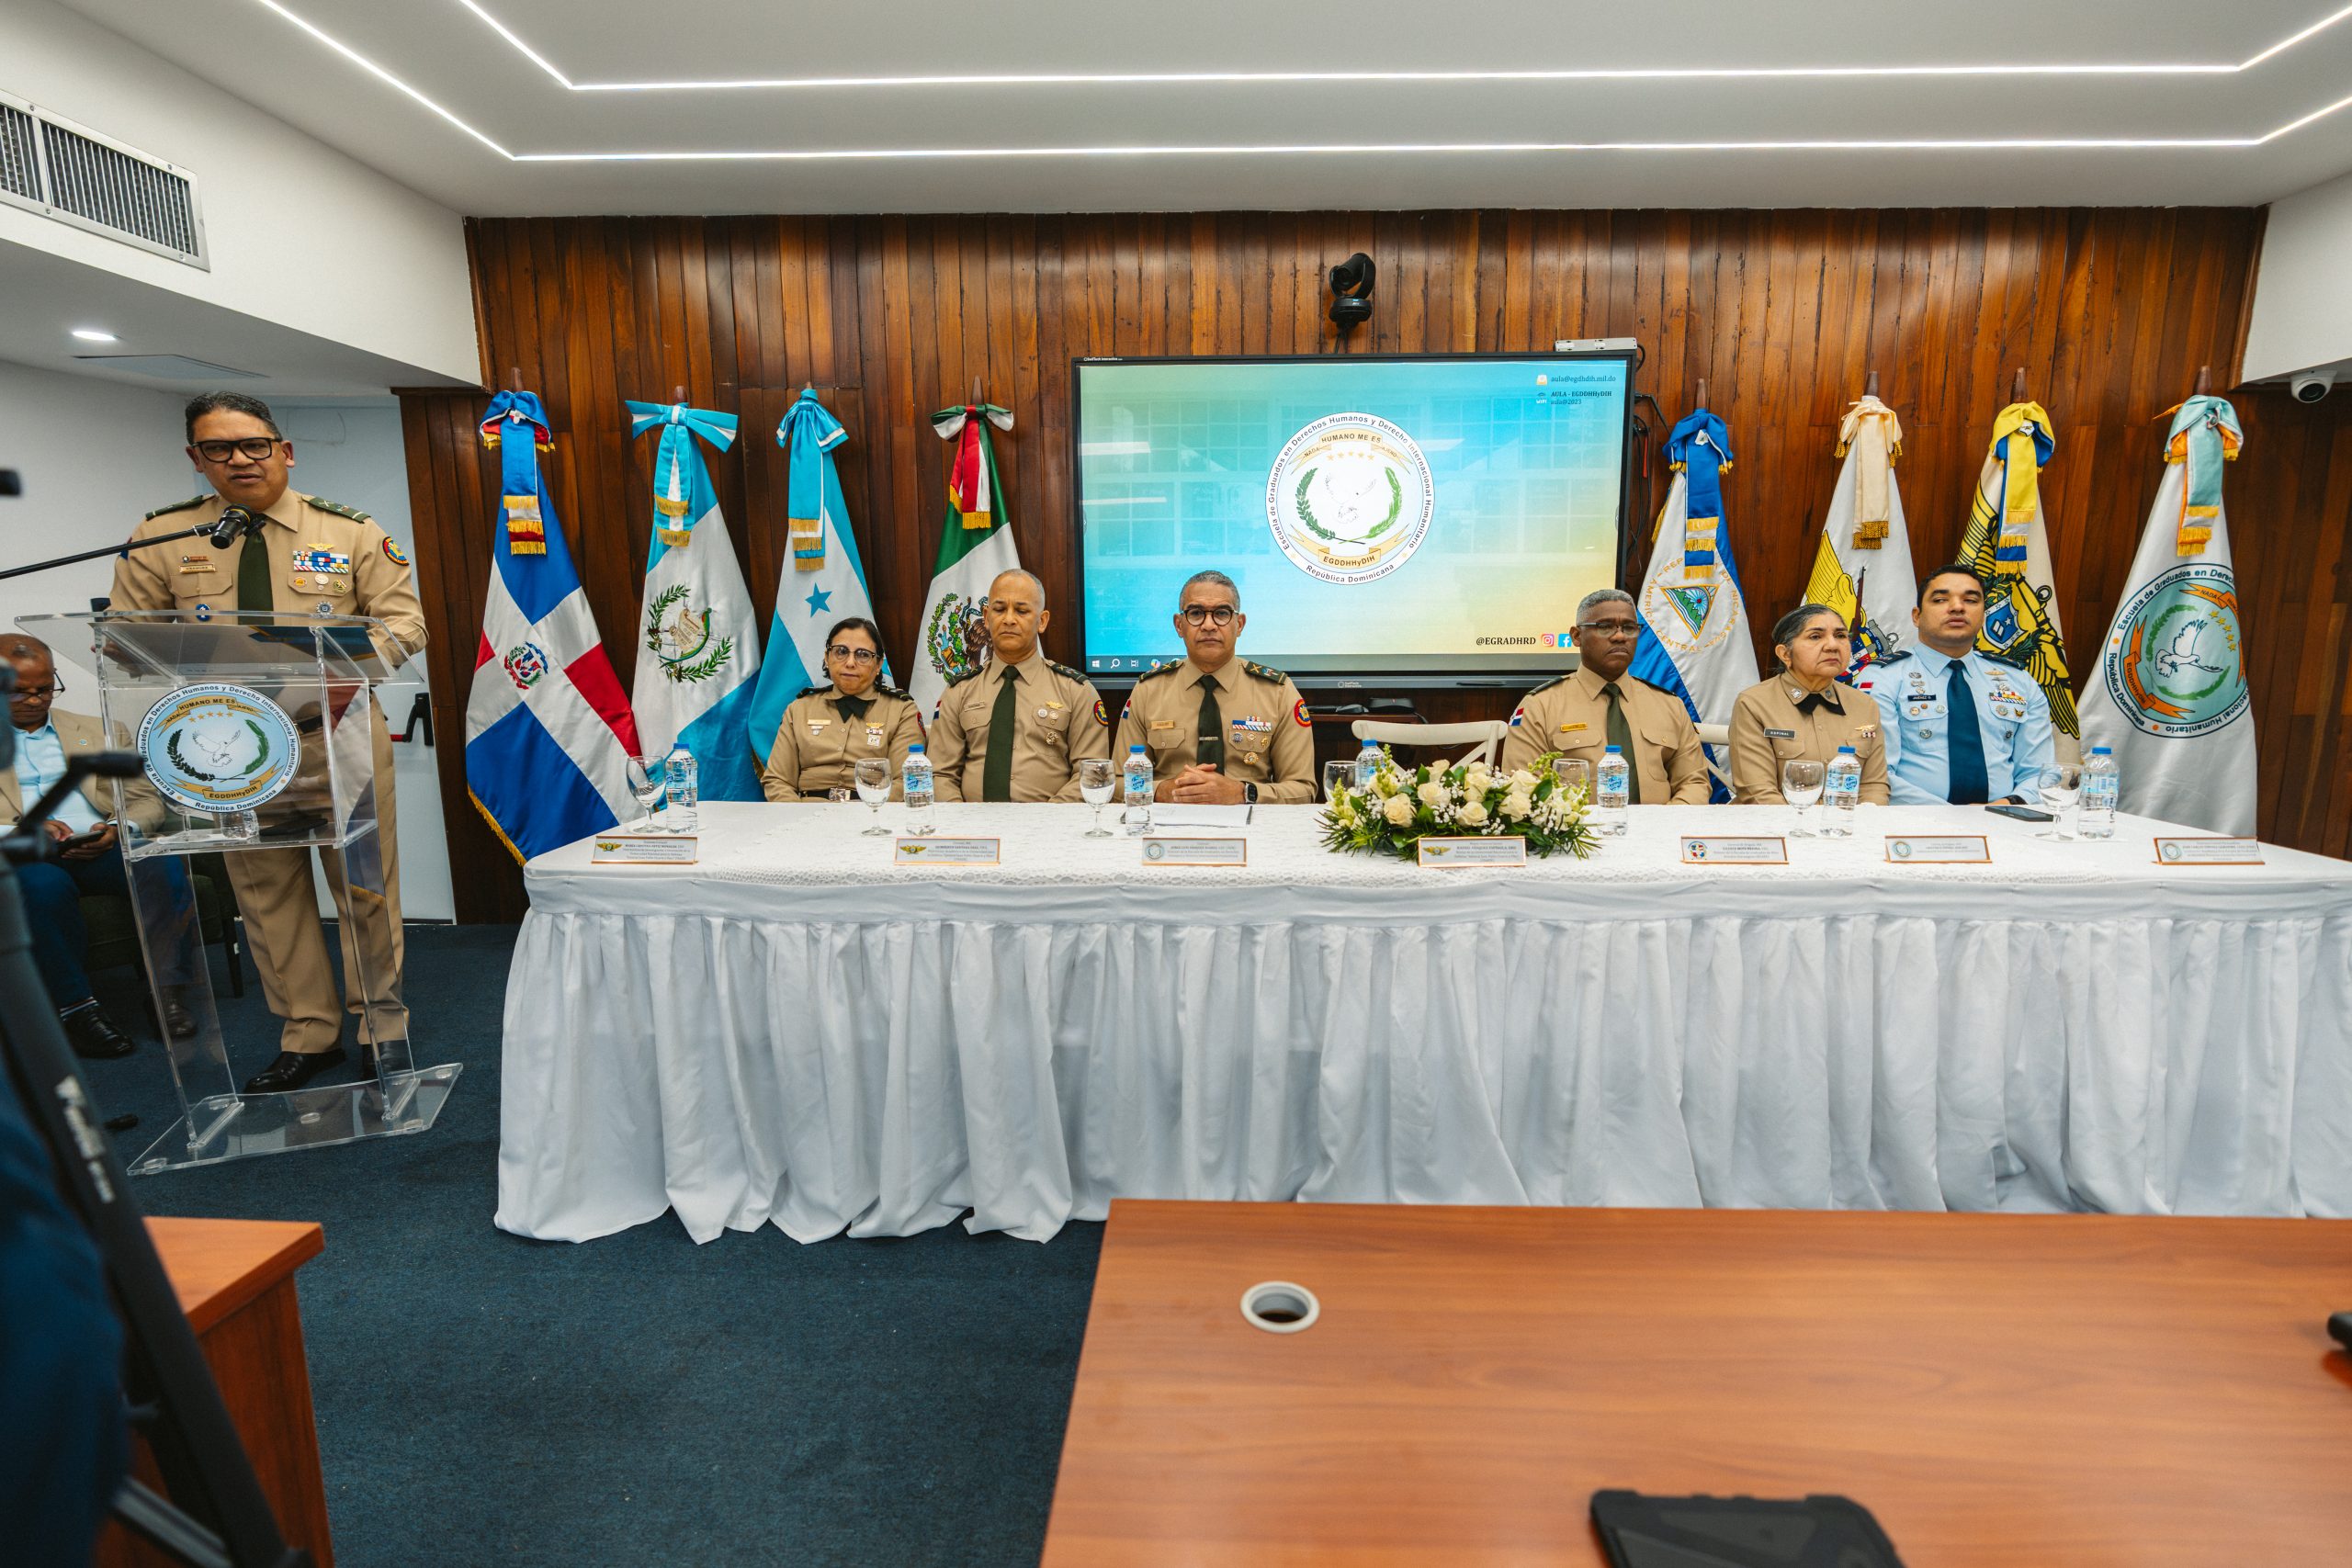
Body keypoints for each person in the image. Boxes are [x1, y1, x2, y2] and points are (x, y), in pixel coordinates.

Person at [109, 392, 425, 1095]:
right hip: (228, 745)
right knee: (266, 893)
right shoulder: (162, 535)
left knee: (366, 890)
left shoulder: (349, 531)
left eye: (254, 444)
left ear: (285, 449)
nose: (239, 460)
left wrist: (314, 672)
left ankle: (381, 1025)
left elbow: (404, 627)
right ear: (196, 459)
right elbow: (127, 640)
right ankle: (308, 1034)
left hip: (333, 730)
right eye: (218, 449)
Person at [4, 635, 193, 1059]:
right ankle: (78, 1010)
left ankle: (166, 995)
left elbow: (145, 800)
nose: (35, 701)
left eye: (45, 689)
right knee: (40, 887)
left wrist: (116, 826)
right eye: (19, 691)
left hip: (99, 844)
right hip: (24, 856)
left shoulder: (99, 730)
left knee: (159, 864)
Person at [1854, 562, 2056, 806]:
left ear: (1983, 615)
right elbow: (1876, 773)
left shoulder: (2018, 680)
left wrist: (2006, 806)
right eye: (1940, 600)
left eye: (1971, 601)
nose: (1958, 607)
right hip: (1912, 824)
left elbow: (2040, 772)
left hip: (2004, 821)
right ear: (1916, 616)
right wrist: (1956, 817)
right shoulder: (1883, 677)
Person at [1114, 570, 1316, 804]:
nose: (1209, 625)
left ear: (1239, 624)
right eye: (1196, 613)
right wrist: (1164, 791)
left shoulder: (1278, 692)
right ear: (1179, 625)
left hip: (1251, 827)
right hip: (1168, 825)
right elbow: (1117, 783)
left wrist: (1243, 793)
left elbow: (1303, 790)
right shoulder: (1149, 690)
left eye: (1221, 613)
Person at [1500, 587, 1710, 803]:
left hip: (1661, 831)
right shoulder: (1540, 706)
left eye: (1629, 628)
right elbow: (1522, 787)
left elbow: (1693, 782)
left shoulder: (1669, 705)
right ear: (1577, 636)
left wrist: (1662, 827)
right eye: (1605, 627)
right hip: (1576, 834)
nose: (1619, 636)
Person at [928, 570, 1111, 801]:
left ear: (1042, 621)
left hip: (1051, 828)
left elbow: (1092, 772)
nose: (1009, 619)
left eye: (1022, 610)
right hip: (973, 828)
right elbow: (940, 774)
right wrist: (964, 825)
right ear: (986, 617)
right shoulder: (959, 691)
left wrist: (1045, 822)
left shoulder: (1076, 691)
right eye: (999, 609)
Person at [1728, 604, 1890, 805]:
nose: (1832, 645)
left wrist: (1856, 827)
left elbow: (1873, 786)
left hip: (1846, 828)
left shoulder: (1864, 705)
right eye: (1815, 636)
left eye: (1840, 636)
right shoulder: (1754, 704)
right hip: (1781, 827)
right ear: (1785, 654)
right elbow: (1758, 794)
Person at [761, 617, 926, 801]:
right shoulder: (799, 709)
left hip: (872, 814)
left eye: (863, 655)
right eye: (841, 652)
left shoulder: (901, 710)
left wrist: (872, 817)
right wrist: (798, 821)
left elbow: (905, 781)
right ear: (827, 657)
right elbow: (777, 780)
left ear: (879, 664)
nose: (850, 662)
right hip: (806, 813)